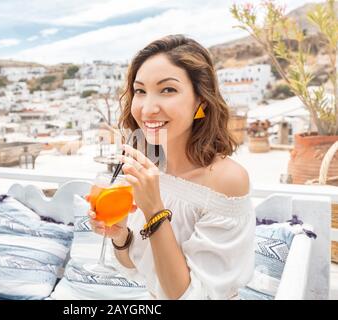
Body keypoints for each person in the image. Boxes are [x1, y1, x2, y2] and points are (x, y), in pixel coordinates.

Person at [88, 34, 255, 300]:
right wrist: (121, 235)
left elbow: (191, 296)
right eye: (140, 91)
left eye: (168, 90)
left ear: (201, 100)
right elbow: (135, 269)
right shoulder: (148, 167)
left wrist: (154, 209)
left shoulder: (227, 180)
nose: (147, 108)